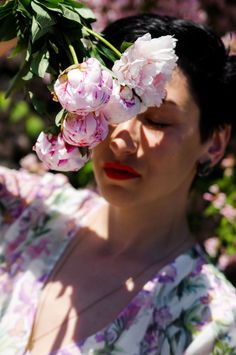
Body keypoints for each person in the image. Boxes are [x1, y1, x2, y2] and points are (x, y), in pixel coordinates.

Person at [0, 13, 236, 355]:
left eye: (156, 120)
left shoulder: (209, 323)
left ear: (213, 144)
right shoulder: (30, 211)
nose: (122, 140)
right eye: (110, 108)